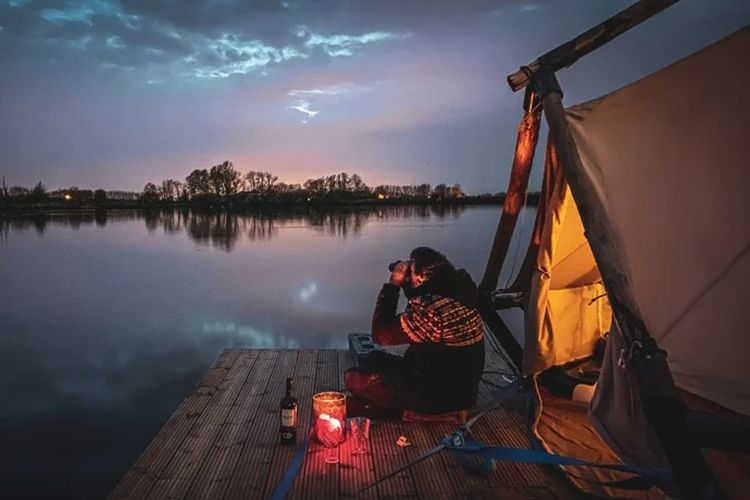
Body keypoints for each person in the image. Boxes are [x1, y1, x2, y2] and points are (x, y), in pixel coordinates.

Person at [345, 247, 485, 417]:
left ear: (421, 277)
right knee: (372, 359)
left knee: (355, 380)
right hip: (457, 386)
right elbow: (422, 294)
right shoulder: (459, 292)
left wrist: (393, 284)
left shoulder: (431, 310)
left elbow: (381, 335)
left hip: (440, 396)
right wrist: (408, 282)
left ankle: (413, 414)